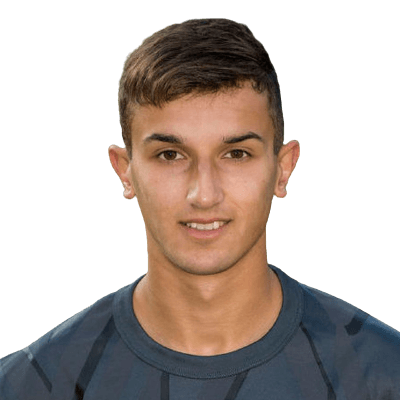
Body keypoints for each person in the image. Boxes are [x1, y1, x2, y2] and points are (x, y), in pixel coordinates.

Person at [1, 18, 399, 400]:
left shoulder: (383, 374)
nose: (204, 194)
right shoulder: (34, 384)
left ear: (283, 168)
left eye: (237, 154)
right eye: (170, 155)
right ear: (125, 171)